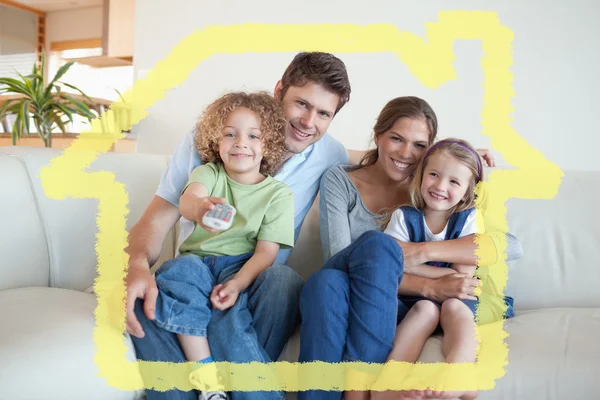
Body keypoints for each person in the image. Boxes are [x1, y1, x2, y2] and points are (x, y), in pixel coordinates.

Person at [125, 52, 352, 400]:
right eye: (301, 103)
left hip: (256, 283)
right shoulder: (215, 138)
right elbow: (161, 214)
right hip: (198, 272)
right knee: (145, 298)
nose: (308, 121)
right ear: (279, 91)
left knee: (283, 280)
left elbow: (378, 182)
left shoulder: (332, 157)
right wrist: (136, 265)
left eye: (324, 113)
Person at [298, 96, 523, 400]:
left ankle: (360, 389)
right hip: (373, 289)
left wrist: (423, 252)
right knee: (329, 279)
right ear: (378, 136)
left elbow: (509, 246)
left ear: (429, 150)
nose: (406, 153)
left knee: (327, 282)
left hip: (404, 300)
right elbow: (339, 260)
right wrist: (431, 287)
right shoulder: (347, 182)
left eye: (419, 146)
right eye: (396, 139)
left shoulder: (438, 187)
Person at [149, 91, 294, 400]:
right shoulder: (208, 174)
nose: (241, 142)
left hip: (239, 266)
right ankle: (207, 382)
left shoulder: (279, 194)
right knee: (177, 271)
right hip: (197, 263)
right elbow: (189, 199)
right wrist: (202, 208)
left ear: (268, 145)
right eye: (230, 134)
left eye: (254, 136)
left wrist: (238, 285)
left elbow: (266, 253)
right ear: (216, 141)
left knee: (231, 322)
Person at [375, 138, 515, 400]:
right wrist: (440, 275)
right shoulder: (403, 217)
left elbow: (463, 275)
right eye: (434, 175)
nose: (440, 186)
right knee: (424, 310)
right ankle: (389, 385)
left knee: (453, 307)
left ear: (467, 191)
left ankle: (459, 373)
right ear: (421, 176)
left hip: (461, 298)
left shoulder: (469, 218)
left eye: (453, 181)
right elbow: (390, 266)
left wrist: (416, 263)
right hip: (416, 298)